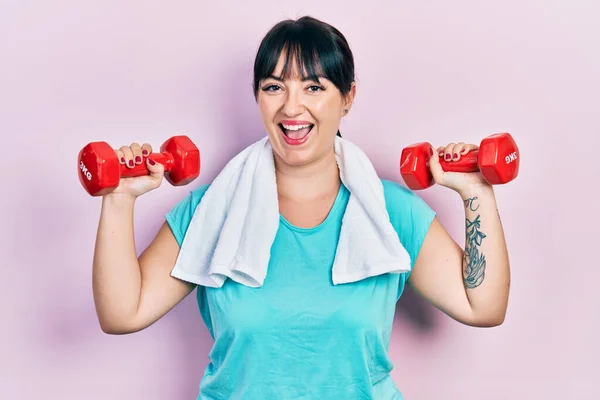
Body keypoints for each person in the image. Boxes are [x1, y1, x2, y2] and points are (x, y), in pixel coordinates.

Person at [91, 15, 511, 400]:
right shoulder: (213, 209)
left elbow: (483, 306)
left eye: (314, 87)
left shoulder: (389, 212)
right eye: (274, 87)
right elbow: (122, 312)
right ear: (257, 97)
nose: (292, 108)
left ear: (347, 97)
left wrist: (477, 192)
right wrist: (119, 198)